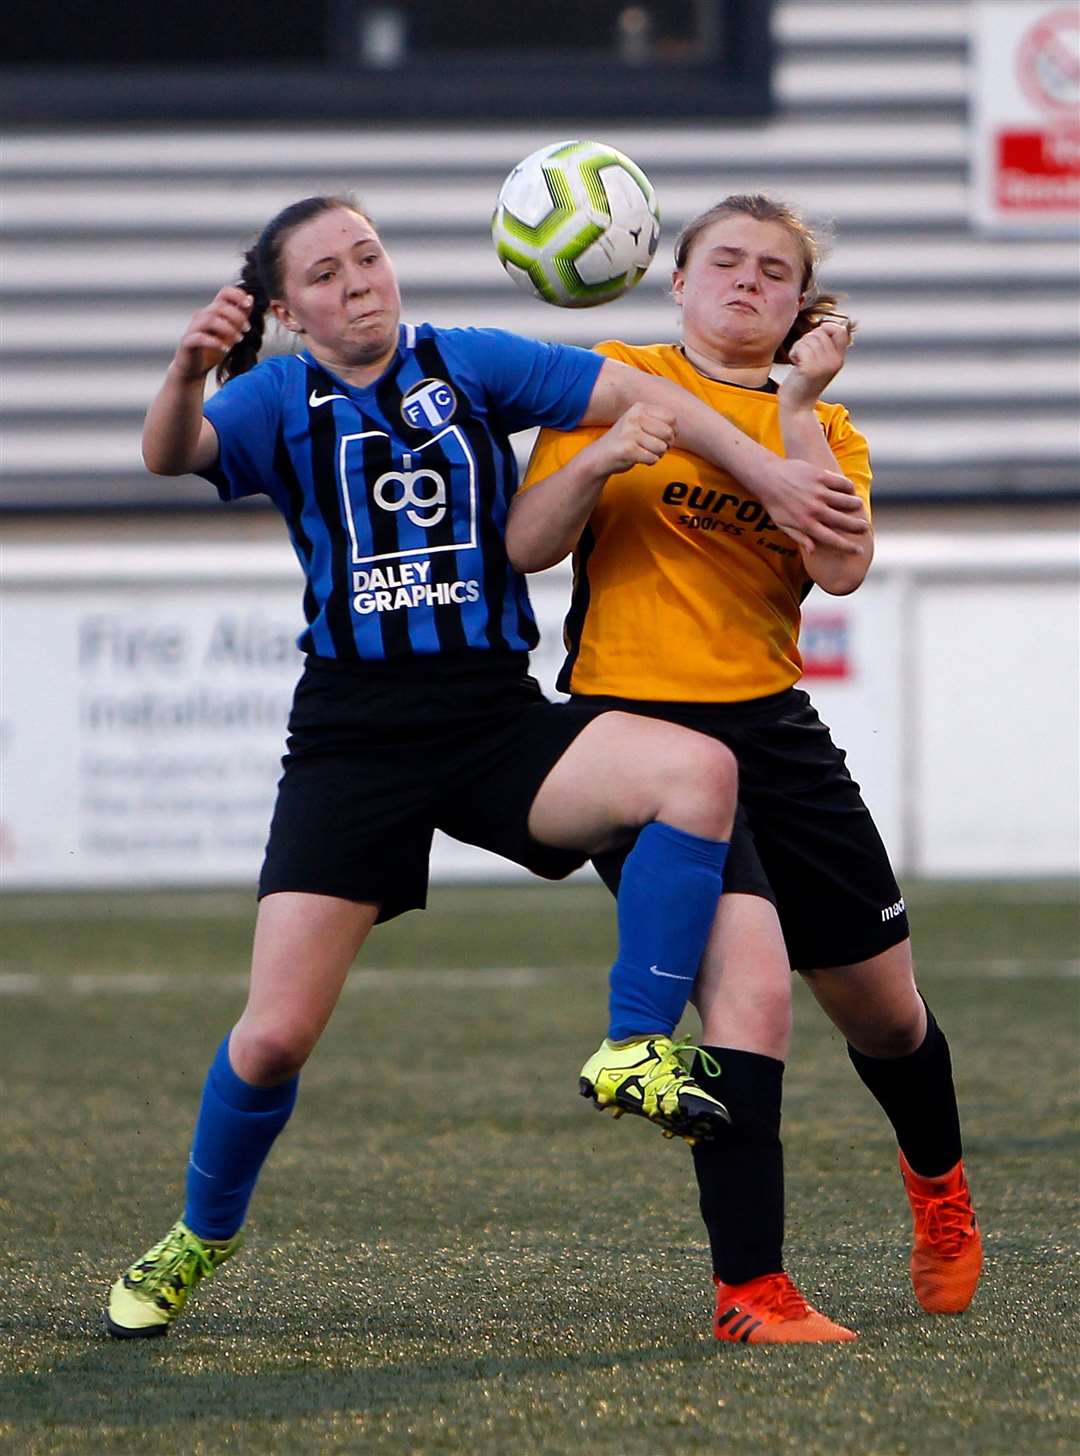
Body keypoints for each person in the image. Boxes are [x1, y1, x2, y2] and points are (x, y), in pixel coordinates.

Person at [102, 194, 868, 1339]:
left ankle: (634, 1044)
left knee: (695, 771)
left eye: (369, 255)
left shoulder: (470, 361)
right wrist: (185, 370)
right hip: (353, 738)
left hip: (490, 716)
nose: (358, 281)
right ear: (286, 309)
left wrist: (767, 474)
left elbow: (646, 396)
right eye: (323, 273)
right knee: (271, 1036)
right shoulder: (271, 396)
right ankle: (198, 1237)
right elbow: (175, 454)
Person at [511, 194, 983, 1345]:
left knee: (883, 1012)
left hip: (770, 732)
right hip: (633, 732)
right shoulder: (611, 378)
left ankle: (942, 1195)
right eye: (724, 261)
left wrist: (801, 408)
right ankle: (753, 1291)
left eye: (776, 272)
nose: (748, 283)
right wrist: (602, 458)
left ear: (801, 306)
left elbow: (844, 567)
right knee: (750, 991)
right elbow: (524, 545)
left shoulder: (824, 421)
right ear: (674, 281)